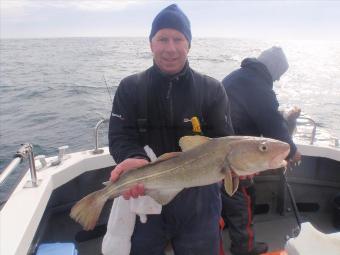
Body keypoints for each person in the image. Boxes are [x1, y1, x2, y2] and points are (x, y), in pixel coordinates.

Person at [108, 4, 234, 255]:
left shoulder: (212, 89)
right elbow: (120, 136)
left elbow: (225, 142)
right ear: (151, 43)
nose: (170, 48)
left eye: (178, 39)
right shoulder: (130, 87)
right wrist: (133, 159)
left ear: (189, 44)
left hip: (199, 203)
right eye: (162, 39)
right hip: (147, 196)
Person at [221, 46, 301, 255]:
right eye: (279, 74)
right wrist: (292, 151)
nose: (278, 79)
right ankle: (245, 249)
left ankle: (226, 232)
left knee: (225, 198)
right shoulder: (259, 87)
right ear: (273, 69)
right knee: (244, 199)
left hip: (219, 151)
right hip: (238, 158)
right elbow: (273, 125)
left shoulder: (237, 77)